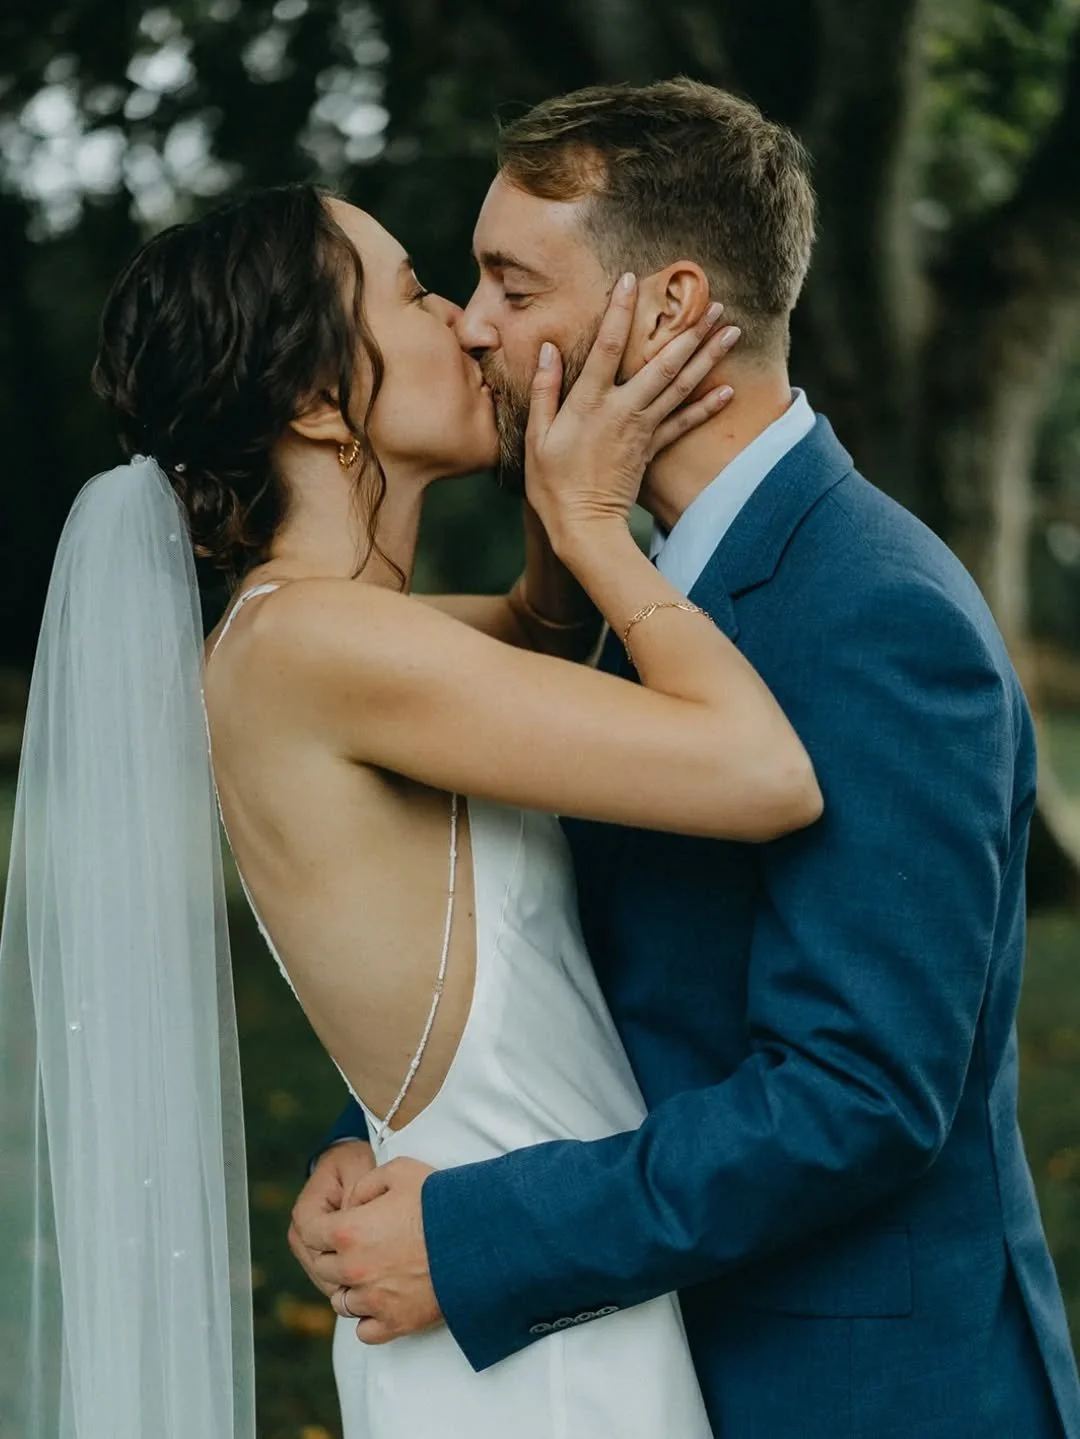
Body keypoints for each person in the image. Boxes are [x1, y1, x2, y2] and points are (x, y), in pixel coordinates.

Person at [292, 80, 1080, 1438]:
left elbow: (860, 1091)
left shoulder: (872, 611)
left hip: (859, 1390)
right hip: (675, 1353)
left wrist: (476, 1232)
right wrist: (407, 1161)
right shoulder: (669, 596)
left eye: (512, 283)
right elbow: (611, 986)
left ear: (665, 309)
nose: (475, 326)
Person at [0, 177, 823, 1439]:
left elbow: (538, 643)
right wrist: (595, 520)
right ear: (320, 401)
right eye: (414, 290)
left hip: (515, 1287)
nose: (469, 321)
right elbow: (762, 775)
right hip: (527, 1350)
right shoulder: (319, 646)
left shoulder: (312, 633)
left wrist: (558, 496)